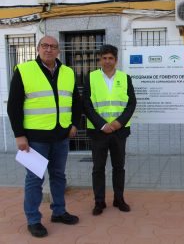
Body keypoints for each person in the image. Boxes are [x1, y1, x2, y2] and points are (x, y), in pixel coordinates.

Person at [7, 36, 81, 238]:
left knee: (59, 176)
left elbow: (75, 100)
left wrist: (74, 123)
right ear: (38, 48)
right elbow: (13, 106)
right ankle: (33, 220)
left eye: (53, 46)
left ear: (58, 50)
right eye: (45, 46)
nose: (49, 49)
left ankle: (59, 211)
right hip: (34, 139)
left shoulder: (67, 72)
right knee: (34, 179)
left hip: (61, 136)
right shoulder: (24, 70)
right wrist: (19, 135)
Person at [84, 44, 136, 216]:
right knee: (98, 168)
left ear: (116, 60)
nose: (107, 61)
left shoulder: (125, 78)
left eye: (111, 58)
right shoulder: (91, 78)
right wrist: (102, 124)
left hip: (119, 132)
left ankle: (119, 199)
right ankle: (99, 202)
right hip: (99, 132)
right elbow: (87, 105)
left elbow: (131, 103)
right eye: (104, 58)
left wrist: (118, 123)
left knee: (118, 167)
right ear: (100, 59)